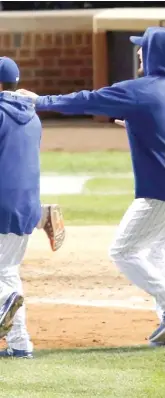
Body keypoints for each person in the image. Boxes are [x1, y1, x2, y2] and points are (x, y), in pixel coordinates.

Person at [19, 26, 165, 347]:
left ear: (154, 54)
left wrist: (40, 100)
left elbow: (87, 100)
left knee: (124, 251)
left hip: (160, 193)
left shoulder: (140, 91)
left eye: (143, 47)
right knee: (155, 252)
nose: (138, 52)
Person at [0, 57, 65, 359]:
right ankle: (20, 344)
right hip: (25, 207)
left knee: (5, 286)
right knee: (7, 271)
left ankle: (3, 299)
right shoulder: (33, 116)